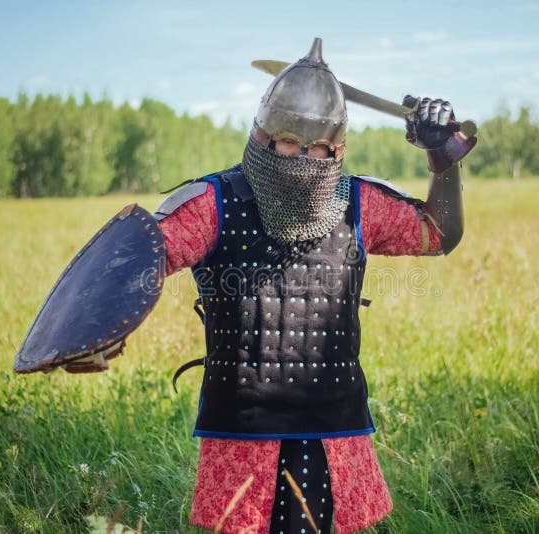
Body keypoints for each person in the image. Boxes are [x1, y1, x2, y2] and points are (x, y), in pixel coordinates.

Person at [154, 38, 469, 534]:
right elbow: (143, 255)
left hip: (333, 424)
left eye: (319, 147)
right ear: (262, 138)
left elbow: (438, 234)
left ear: (338, 149)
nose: (304, 158)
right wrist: (101, 327)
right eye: (290, 143)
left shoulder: (358, 203)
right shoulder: (214, 202)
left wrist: (441, 159)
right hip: (243, 427)